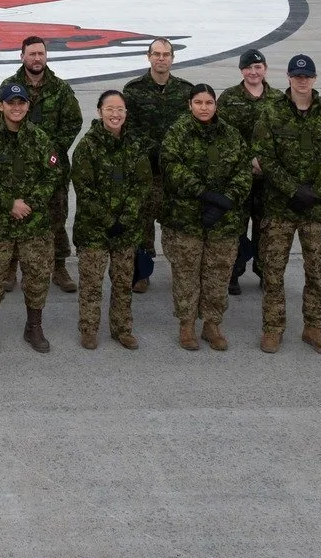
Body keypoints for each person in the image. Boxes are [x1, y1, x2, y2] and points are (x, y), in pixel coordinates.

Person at [252, 53, 321, 355]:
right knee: (273, 271)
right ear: (289, 78)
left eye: (307, 76)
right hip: (280, 207)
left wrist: (316, 191)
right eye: (297, 76)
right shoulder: (272, 112)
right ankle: (273, 328)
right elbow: (264, 155)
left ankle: (314, 327)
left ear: (314, 79)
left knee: (317, 271)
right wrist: (293, 190)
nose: (302, 81)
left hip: (317, 209)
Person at [0, 35, 83, 294]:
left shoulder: (60, 89)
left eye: (41, 53)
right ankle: (10, 268)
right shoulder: (9, 86)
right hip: (15, 168)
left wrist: (50, 149)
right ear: (22, 57)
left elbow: (73, 122)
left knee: (56, 216)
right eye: (32, 54)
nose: (37, 58)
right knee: (15, 215)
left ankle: (59, 267)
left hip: (52, 166)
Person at [0, 81, 61, 355]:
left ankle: (34, 327)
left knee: (37, 277)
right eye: (11, 103)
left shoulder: (40, 138)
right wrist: (9, 203)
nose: (16, 107)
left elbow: (52, 175)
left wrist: (28, 204)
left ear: (28, 106)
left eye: (21, 103)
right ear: (1, 106)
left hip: (34, 224)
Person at [160, 84, 252, 350]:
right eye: (198, 103)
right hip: (186, 219)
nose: (204, 108)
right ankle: (187, 325)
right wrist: (204, 194)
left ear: (216, 105)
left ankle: (212, 325)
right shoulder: (178, 132)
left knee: (218, 275)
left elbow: (243, 170)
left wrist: (226, 201)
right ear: (189, 105)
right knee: (186, 274)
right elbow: (171, 166)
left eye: (209, 103)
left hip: (223, 220)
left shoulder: (231, 135)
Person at [71, 90, 150, 350]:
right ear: (99, 111)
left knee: (123, 283)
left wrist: (124, 219)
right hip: (93, 229)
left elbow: (142, 184)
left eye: (120, 109)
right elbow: (84, 188)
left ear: (126, 113)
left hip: (126, 230)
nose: (115, 114)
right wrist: (108, 220)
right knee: (91, 283)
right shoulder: (87, 146)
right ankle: (89, 329)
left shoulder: (135, 145)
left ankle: (122, 329)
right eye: (109, 109)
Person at [120, 38, 195, 291]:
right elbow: (128, 129)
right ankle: (142, 272)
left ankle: (181, 271)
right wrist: (153, 151)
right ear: (148, 56)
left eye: (166, 54)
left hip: (176, 173)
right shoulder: (133, 90)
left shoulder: (185, 91)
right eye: (157, 54)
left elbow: (190, 129)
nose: (161, 58)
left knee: (178, 223)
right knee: (142, 223)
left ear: (173, 58)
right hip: (146, 171)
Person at [216, 49, 285, 296]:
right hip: (239, 177)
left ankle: (265, 272)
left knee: (267, 227)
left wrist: (265, 162)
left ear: (265, 69)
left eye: (258, 67)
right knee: (235, 226)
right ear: (241, 70)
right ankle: (233, 272)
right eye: (248, 68)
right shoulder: (229, 98)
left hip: (269, 178)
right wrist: (248, 161)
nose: (253, 72)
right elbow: (222, 137)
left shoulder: (278, 99)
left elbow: (283, 138)